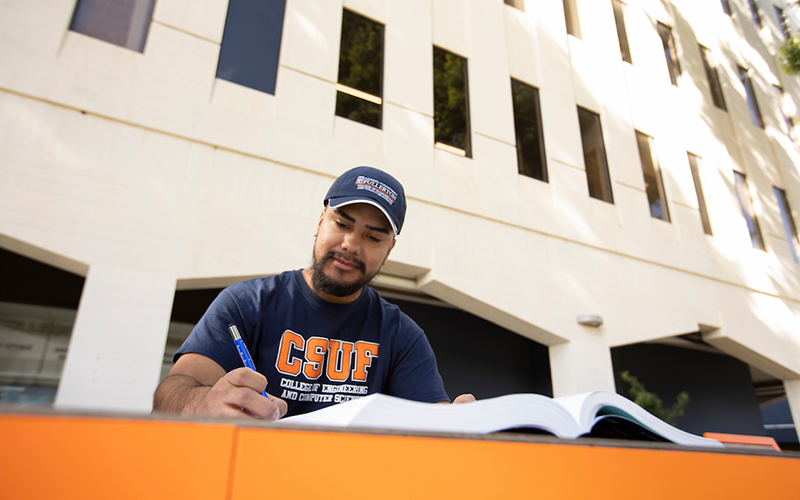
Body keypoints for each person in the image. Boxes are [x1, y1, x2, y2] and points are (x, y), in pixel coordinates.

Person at [153, 166, 474, 420]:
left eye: (373, 238)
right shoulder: (246, 304)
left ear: (388, 251)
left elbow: (431, 428)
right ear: (321, 222)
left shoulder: (402, 336)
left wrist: (457, 424)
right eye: (342, 224)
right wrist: (205, 402)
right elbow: (170, 396)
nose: (351, 244)